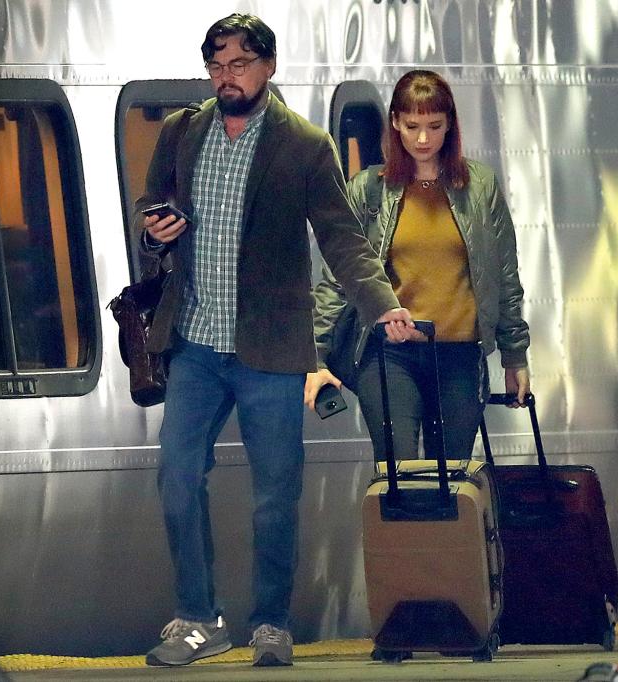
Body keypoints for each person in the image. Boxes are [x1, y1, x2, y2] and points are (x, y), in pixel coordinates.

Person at [133, 14, 417, 668]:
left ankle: (269, 624)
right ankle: (199, 619)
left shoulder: (306, 145)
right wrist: (157, 230)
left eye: (237, 65)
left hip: (271, 351)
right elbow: (152, 208)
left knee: (275, 494)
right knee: (176, 478)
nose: (225, 78)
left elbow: (343, 239)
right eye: (216, 66)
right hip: (196, 344)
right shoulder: (183, 133)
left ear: (266, 67)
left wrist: (382, 307)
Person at [307, 70, 530, 463]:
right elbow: (338, 280)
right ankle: (400, 523)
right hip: (391, 353)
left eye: (434, 126)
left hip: (460, 354)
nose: (423, 139)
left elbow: (505, 275)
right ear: (395, 122)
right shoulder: (369, 188)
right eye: (412, 126)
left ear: (450, 126)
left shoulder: (479, 186)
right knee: (399, 472)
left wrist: (515, 358)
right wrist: (316, 357)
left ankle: (448, 529)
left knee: (454, 476)